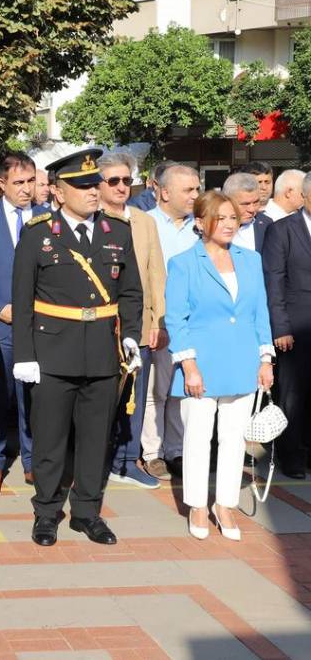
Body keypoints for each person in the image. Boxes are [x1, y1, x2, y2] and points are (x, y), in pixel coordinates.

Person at [13, 148, 143, 547]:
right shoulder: (38, 234)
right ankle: (47, 514)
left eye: (94, 183)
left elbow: (132, 292)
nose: (92, 191)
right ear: (57, 191)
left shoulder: (117, 232)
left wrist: (130, 335)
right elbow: (22, 300)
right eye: (82, 185)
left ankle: (87, 513)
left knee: (94, 441)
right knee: (51, 443)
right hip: (52, 354)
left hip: (103, 354)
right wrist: (24, 356)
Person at [165, 190, 274, 541]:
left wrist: (266, 358)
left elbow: (260, 312)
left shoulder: (251, 259)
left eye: (232, 217)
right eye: (220, 218)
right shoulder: (183, 263)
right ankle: (197, 503)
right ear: (200, 223)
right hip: (202, 363)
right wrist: (190, 366)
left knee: (234, 439)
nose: (229, 224)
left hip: (243, 360)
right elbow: (177, 319)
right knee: (198, 436)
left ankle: (224, 503)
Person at [0, 153, 48, 494]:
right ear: (1, 183)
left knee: (34, 397)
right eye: (18, 183)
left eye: (31, 181)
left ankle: (33, 460)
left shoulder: (47, 218)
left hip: (39, 326)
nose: (26, 189)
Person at [97, 153, 165, 490]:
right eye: (114, 181)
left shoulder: (144, 221)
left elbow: (156, 275)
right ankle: (94, 460)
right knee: (98, 398)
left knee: (134, 400)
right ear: (99, 184)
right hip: (100, 328)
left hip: (138, 327)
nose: (122, 187)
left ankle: (126, 461)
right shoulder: (92, 220)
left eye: (127, 180)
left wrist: (156, 321)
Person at [142, 164, 200, 481]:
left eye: (196, 189)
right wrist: (154, 320)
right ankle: (152, 452)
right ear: (165, 192)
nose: (195, 195)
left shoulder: (199, 227)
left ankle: (176, 451)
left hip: (192, 323)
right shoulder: (145, 224)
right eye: (188, 190)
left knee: (183, 390)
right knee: (157, 390)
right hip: (160, 321)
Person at [262, 172, 311, 479]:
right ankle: (290, 454)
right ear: (305, 196)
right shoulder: (283, 230)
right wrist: (280, 327)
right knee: (293, 394)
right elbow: (274, 281)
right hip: (294, 325)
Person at [223, 173, 272, 253]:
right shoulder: (211, 224)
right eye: (245, 204)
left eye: (256, 202)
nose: (252, 209)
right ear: (227, 201)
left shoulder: (266, 224)